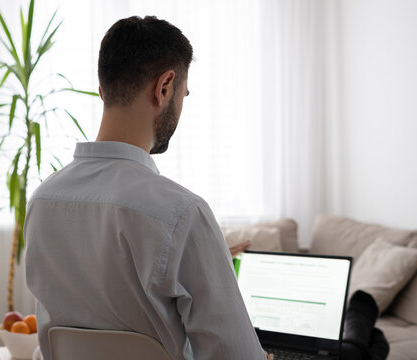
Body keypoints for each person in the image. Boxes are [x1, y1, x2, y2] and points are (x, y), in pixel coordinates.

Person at [25, 16, 273, 360]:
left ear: (103, 92)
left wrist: (201, 255)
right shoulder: (182, 212)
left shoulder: (43, 200)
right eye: (183, 94)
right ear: (165, 87)